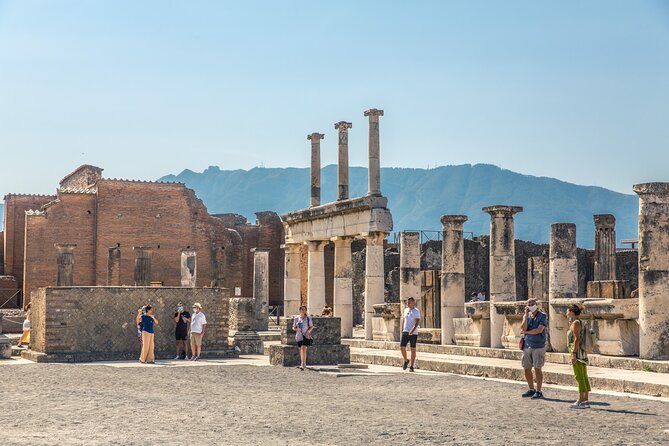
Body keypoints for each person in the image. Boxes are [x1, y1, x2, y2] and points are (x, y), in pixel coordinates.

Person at [520, 298, 547, 399]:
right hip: (527, 345)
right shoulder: (527, 316)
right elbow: (523, 328)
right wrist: (526, 316)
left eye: (532, 303)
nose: (531, 304)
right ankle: (531, 389)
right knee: (526, 368)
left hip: (539, 345)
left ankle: (539, 390)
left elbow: (539, 330)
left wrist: (526, 332)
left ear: (537, 304)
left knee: (537, 368)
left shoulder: (542, 316)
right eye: (529, 303)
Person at [567, 304, 591, 409]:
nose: (566, 312)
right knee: (583, 376)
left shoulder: (576, 323)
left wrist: (574, 354)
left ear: (572, 312)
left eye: (567, 311)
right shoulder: (577, 322)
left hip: (578, 353)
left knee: (579, 376)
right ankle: (585, 400)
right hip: (581, 352)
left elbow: (576, 339)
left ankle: (581, 400)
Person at [400, 297, 420, 372]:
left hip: (413, 333)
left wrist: (412, 330)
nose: (408, 304)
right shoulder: (405, 310)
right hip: (405, 331)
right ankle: (406, 360)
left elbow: (417, 322)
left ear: (413, 303)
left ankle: (411, 366)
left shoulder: (416, 311)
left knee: (413, 349)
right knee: (402, 347)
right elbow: (403, 320)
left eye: (409, 302)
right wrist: (402, 329)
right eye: (407, 302)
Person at [293, 305, 313, 370]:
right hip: (299, 336)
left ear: (305, 310)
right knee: (300, 349)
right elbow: (293, 327)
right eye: (301, 309)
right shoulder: (296, 318)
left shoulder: (308, 318)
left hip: (305, 335)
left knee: (304, 349)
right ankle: (302, 362)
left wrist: (308, 332)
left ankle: (303, 363)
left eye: (304, 309)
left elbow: (311, 326)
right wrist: (295, 329)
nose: (303, 310)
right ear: (300, 310)